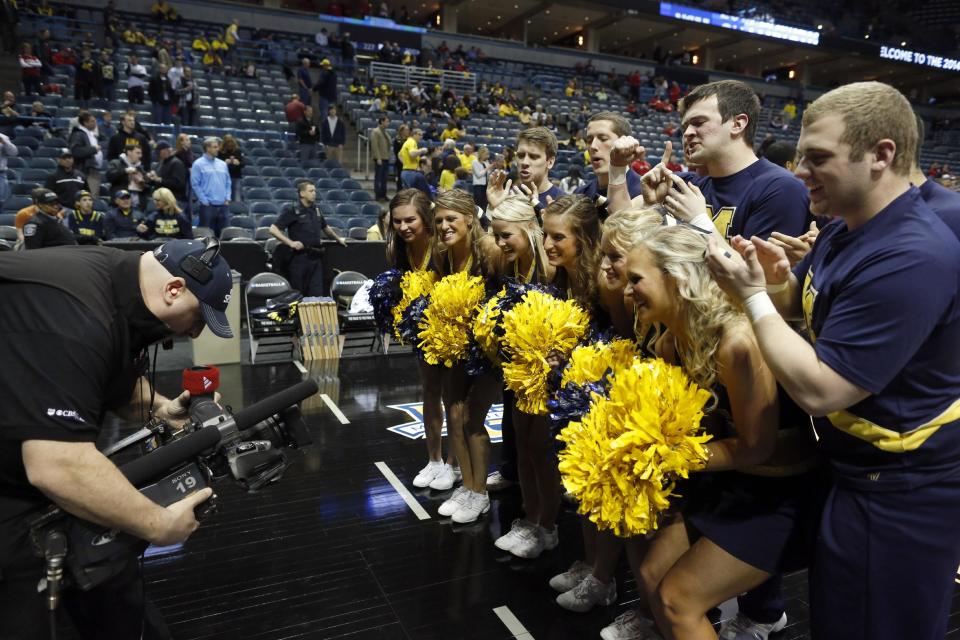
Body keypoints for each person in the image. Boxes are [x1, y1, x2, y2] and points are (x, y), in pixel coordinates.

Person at [706, 81, 960, 640]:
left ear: (881, 155)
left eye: (818, 157)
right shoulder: (846, 227)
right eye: (800, 156)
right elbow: (806, 304)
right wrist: (773, 284)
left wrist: (749, 298)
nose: (798, 172)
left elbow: (823, 389)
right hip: (852, 470)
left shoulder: (913, 253)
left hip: (900, 488)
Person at [0, 237, 230, 639]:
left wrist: (160, 407)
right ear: (174, 290)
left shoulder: (119, 278)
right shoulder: (77, 316)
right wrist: (159, 526)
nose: (195, 334)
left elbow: (110, 376)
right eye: (198, 319)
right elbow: (58, 466)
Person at [494, 195, 600, 559]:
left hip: (581, 390)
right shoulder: (556, 276)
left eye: (558, 237)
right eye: (547, 235)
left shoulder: (598, 283)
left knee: (544, 452)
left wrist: (571, 359)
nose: (548, 244)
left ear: (583, 240)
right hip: (544, 378)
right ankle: (534, 518)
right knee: (525, 444)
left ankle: (548, 526)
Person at [431, 188, 499, 519]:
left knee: (472, 417)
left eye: (451, 219)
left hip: (487, 349)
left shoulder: (486, 249)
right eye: (439, 220)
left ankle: (480, 492)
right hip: (457, 345)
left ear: (470, 219)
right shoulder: (443, 255)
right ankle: (468, 486)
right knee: (453, 412)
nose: (444, 225)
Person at [386, 190, 460, 490]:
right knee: (429, 392)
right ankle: (434, 460)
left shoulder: (442, 249)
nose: (404, 227)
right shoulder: (396, 249)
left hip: (450, 331)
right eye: (398, 221)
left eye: (410, 220)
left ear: (425, 219)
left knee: (454, 397)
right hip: (422, 332)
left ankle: (455, 465)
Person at [269, 180, 347, 296]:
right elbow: (273, 229)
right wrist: (290, 243)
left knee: (317, 292)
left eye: (314, 191)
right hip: (299, 258)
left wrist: (338, 239)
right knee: (298, 293)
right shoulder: (292, 210)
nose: (314, 193)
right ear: (302, 193)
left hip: (316, 258)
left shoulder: (316, 210)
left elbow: (325, 228)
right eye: (311, 191)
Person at [575, 112, 645, 219]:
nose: (593, 146)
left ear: (625, 142)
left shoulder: (644, 192)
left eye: (603, 139)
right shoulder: (579, 194)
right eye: (589, 140)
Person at [487, 127, 563, 214]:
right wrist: (494, 209)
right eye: (521, 155)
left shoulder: (564, 205)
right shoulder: (504, 197)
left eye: (533, 156)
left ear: (550, 162)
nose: (524, 162)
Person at [191, 137, 231, 236]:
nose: (218, 149)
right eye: (215, 147)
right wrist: (204, 201)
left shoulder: (222, 164)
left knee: (224, 235)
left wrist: (227, 198)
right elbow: (195, 184)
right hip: (207, 206)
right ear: (207, 148)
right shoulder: (198, 164)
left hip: (223, 206)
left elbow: (228, 182)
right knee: (206, 236)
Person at [68, 111, 104, 199]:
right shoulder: (78, 134)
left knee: (92, 198)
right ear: (85, 122)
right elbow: (75, 151)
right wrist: (94, 149)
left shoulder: (89, 134)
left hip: (91, 170)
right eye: (92, 121)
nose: (95, 123)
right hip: (84, 171)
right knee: (87, 198)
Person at [370, 115, 392, 201]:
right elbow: (374, 146)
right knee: (378, 178)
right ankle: (377, 194)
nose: (388, 123)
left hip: (386, 157)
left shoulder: (385, 132)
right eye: (387, 121)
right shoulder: (375, 131)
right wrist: (378, 157)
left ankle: (383, 194)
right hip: (380, 158)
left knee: (384, 178)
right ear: (382, 121)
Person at [217, 134, 244, 203]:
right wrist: (224, 162)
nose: (229, 144)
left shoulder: (237, 151)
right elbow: (216, 165)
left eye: (230, 142)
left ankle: (237, 211)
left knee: (236, 195)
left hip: (236, 176)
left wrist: (238, 163)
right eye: (227, 142)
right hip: (224, 177)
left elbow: (243, 164)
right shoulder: (220, 152)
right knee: (224, 197)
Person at [313, 58, 337, 122]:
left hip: (324, 95)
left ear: (325, 65)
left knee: (324, 110)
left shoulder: (325, 73)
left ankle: (324, 125)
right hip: (332, 96)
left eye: (323, 65)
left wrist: (314, 89)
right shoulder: (334, 73)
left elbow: (321, 83)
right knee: (331, 112)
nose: (322, 67)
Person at [0, 130, 16, 207]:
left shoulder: (3, 137)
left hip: (0, 174)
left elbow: (13, 153)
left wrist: (4, 142)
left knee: (1, 200)